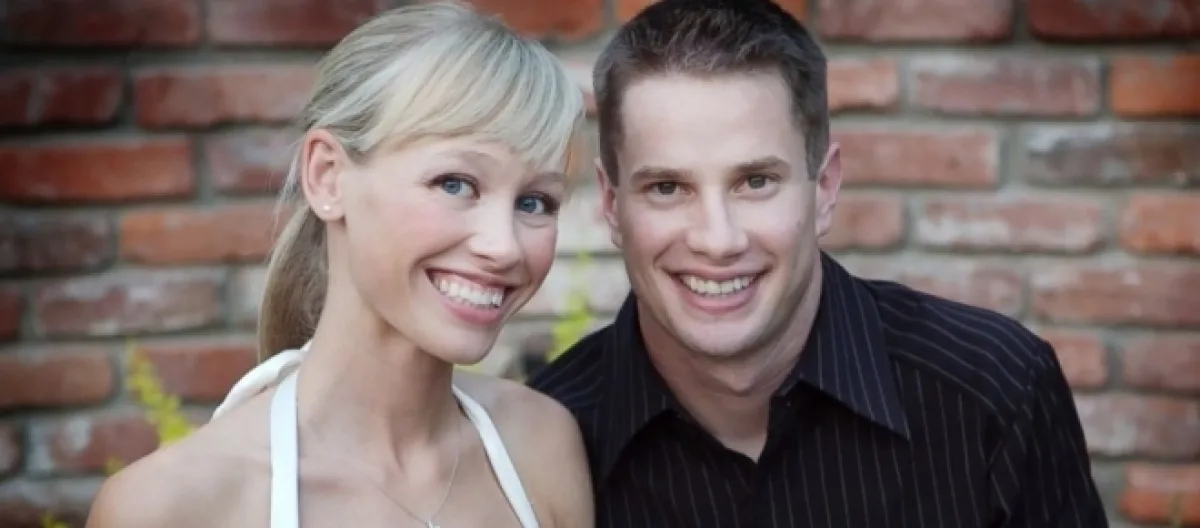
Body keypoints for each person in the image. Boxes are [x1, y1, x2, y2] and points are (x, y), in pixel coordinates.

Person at [529, 0, 1109, 526]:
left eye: (756, 181)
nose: (718, 240)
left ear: (825, 188)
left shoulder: (996, 392)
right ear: (611, 205)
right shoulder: (543, 441)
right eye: (667, 188)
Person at [86, 3, 593, 527]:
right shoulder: (173, 506)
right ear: (327, 176)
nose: (504, 247)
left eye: (534, 202)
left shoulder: (542, 443)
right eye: (455, 184)